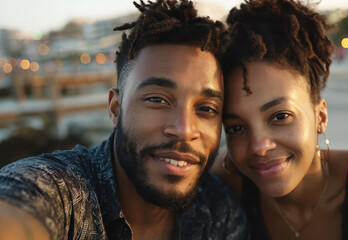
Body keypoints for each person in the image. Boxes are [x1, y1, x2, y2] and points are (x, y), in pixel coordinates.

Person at [0, 1, 248, 239]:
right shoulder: (62, 193)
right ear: (115, 109)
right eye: (157, 100)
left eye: (206, 108)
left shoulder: (220, 212)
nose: (184, 129)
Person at [212, 0, 348, 239]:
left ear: (321, 116)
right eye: (236, 128)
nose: (259, 146)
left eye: (280, 116)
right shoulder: (224, 186)